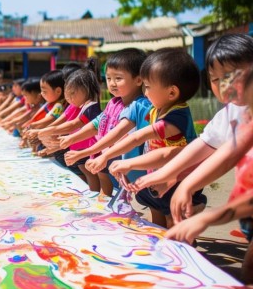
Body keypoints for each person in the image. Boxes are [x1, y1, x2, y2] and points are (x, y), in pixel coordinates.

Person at [129, 34, 253, 199]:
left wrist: (180, 180)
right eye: (215, 79)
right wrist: (174, 176)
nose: (225, 85)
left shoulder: (176, 116)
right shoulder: (229, 114)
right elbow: (204, 145)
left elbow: (226, 157)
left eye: (232, 75)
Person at [166, 65, 253, 284]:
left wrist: (210, 217)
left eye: (234, 78)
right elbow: (225, 152)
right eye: (217, 79)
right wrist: (185, 182)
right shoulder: (242, 116)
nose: (226, 87)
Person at [103, 48, 203, 228]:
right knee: (152, 206)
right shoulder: (157, 109)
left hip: (179, 179)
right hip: (162, 175)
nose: (145, 93)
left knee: (174, 222)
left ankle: (195, 207)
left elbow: (141, 140)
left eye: (148, 87)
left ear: (171, 93)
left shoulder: (176, 116)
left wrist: (122, 161)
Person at [61, 48, 146, 196]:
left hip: (133, 167)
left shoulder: (140, 106)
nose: (112, 83)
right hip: (112, 162)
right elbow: (96, 124)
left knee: (145, 204)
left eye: (118, 78)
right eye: (108, 78)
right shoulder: (114, 103)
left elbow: (118, 133)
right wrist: (71, 138)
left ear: (139, 80)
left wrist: (88, 152)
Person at [35, 67, 101, 177]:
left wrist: (42, 131)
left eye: (72, 93)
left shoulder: (90, 107)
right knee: (86, 175)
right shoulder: (77, 106)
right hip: (76, 148)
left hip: (85, 149)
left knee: (93, 175)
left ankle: (98, 193)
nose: (69, 98)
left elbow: (72, 125)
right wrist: (50, 146)